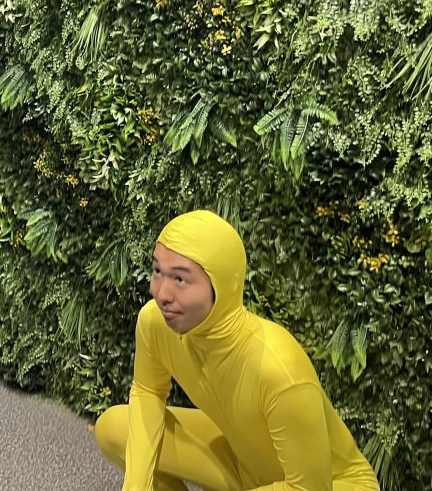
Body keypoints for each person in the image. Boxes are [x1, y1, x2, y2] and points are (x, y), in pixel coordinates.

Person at [95, 210, 379, 491]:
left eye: (180, 279)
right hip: (242, 464)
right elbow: (148, 392)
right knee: (114, 428)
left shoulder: (278, 369)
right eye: (158, 271)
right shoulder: (155, 323)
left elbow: (310, 488)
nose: (162, 294)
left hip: (331, 484)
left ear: (221, 285)